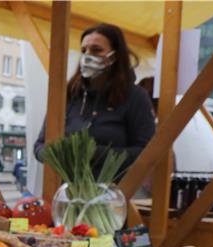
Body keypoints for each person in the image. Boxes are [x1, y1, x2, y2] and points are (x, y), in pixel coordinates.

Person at [34, 23, 156, 178]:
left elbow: (147, 152)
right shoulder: (67, 95)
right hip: (64, 194)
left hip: (111, 196)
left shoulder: (135, 97)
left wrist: (94, 153)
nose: (87, 56)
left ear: (115, 56)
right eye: (84, 50)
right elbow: (39, 145)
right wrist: (57, 154)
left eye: (96, 50)